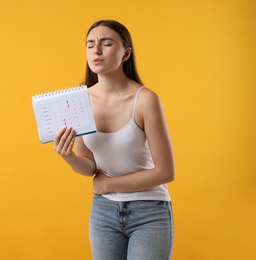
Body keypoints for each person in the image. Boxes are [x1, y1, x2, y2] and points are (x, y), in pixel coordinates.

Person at [53, 20, 175, 260]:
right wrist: (69, 157)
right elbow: (90, 167)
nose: (96, 50)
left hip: (150, 211)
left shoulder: (145, 100)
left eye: (106, 43)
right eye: (90, 45)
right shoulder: (79, 100)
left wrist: (109, 185)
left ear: (126, 53)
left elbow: (165, 172)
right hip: (104, 213)